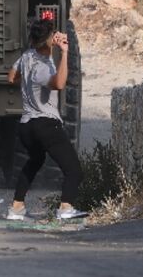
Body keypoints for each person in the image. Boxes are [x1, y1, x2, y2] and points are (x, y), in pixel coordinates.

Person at [6, 18, 86, 221]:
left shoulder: (26, 57)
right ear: (48, 39)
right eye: (54, 34)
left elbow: (11, 77)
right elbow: (59, 83)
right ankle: (65, 208)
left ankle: (16, 208)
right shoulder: (43, 67)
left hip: (26, 126)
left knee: (35, 160)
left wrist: (27, 83)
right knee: (74, 170)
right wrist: (66, 52)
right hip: (46, 125)